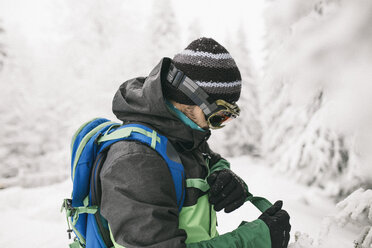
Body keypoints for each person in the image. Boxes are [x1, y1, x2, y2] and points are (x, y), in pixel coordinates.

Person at [99, 37, 291, 248]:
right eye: (219, 116)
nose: (215, 126)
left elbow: (207, 158)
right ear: (192, 97)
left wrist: (221, 173)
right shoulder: (135, 161)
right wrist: (255, 240)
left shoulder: (180, 134)